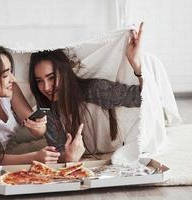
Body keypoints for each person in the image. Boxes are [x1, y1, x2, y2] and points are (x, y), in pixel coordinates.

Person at [28, 23, 144, 162]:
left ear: (65, 73)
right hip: (81, 164)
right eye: (39, 81)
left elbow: (141, 98)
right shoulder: (47, 110)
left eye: (51, 78)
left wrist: (135, 63)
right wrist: (69, 157)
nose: (46, 87)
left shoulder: (96, 90)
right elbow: (58, 153)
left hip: (114, 157)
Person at [0, 44, 60, 166]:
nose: (12, 79)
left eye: (11, 72)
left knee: (54, 145)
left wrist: (39, 126)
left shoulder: (12, 89)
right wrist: (34, 157)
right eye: (5, 75)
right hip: (2, 156)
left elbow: (36, 130)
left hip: (16, 146)